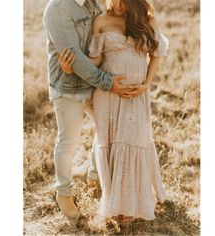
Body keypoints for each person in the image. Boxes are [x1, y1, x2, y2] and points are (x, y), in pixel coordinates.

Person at [59, 0, 169, 223]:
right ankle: (115, 205)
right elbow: (95, 60)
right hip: (108, 95)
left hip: (136, 95)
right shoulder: (101, 20)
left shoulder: (145, 18)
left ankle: (130, 206)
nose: (118, 4)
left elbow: (157, 53)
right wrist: (70, 69)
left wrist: (146, 83)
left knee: (133, 141)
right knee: (110, 144)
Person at [42, 0, 140, 222]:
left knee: (106, 131)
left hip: (94, 85)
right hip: (68, 87)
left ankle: (95, 175)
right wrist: (107, 81)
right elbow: (73, 58)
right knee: (68, 141)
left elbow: (102, 42)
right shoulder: (57, 9)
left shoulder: (95, 4)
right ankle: (63, 193)